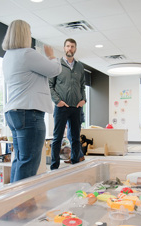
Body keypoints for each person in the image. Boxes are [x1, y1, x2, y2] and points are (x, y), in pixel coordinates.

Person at [2, 20, 61, 182]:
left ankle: (13, 201)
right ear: (25, 34)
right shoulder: (27, 53)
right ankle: (22, 205)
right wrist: (51, 56)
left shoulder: (8, 56)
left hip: (14, 112)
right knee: (28, 161)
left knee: (20, 159)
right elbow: (54, 69)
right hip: (29, 114)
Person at [49, 38, 86, 170]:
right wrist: (57, 101)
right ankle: (54, 167)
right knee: (57, 138)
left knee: (75, 138)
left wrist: (84, 100)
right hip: (61, 107)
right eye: (68, 46)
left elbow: (82, 86)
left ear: (75, 49)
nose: (70, 49)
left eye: (72, 46)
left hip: (76, 107)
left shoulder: (80, 66)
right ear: (64, 48)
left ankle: (75, 165)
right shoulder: (57, 65)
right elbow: (50, 85)